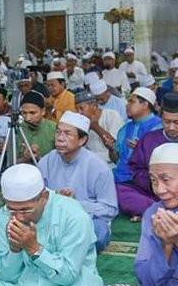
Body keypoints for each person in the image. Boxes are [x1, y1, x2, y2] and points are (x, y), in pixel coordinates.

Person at [84, 142, 178, 286]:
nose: (160, 190)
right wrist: (166, 246)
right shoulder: (154, 213)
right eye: (154, 181)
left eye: (166, 179)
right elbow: (148, 283)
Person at [38, 111, 118, 251]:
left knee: (99, 235)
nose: (60, 138)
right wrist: (55, 197)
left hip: (88, 219)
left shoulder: (98, 166)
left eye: (67, 134)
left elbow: (110, 209)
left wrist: (75, 204)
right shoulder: (48, 160)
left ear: (82, 140)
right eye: (58, 132)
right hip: (54, 217)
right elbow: (37, 196)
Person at [116, 92, 178, 220]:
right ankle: (164, 211)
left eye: (176, 122)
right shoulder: (149, 139)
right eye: (166, 122)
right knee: (119, 192)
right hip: (154, 193)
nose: (171, 127)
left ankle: (157, 212)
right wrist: (156, 182)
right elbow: (136, 170)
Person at [113, 87, 162, 188]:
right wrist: (111, 149)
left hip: (143, 183)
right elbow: (117, 158)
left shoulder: (159, 127)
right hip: (118, 179)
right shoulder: (125, 128)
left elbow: (160, 162)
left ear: (145, 104)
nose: (127, 105)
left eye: (132, 102)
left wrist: (141, 150)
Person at [75, 88, 125, 167]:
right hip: (90, 164)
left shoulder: (111, 115)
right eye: (76, 109)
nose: (79, 113)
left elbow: (115, 145)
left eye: (81, 108)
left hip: (112, 164)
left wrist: (95, 126)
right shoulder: (80, 122)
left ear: (94, 106)